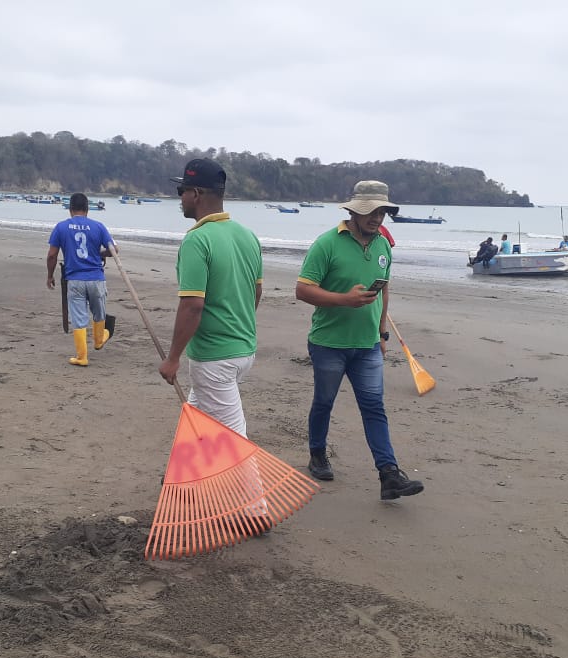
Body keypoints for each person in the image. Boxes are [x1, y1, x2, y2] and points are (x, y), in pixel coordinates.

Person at [295, 180, 424, 500]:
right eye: (371, 212)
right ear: (353, 211)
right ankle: (317, 454)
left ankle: (389, 474)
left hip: (368, 346)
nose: (377, 218)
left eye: (382, 212)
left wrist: (381, 333)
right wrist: (344, 300)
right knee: (324, 402)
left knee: (374, 407)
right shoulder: (326, 244)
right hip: (328, 343)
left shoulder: (383, 246)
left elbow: (384, 291)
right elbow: (303, 290)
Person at [158, 158, 263, 438]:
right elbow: (256, 292)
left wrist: (172, 358)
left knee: (234, 438)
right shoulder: (248, 236)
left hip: (215, 358)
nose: (179, 198)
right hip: (244, 350)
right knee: (196, 421)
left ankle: (247, 473)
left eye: (182, 191)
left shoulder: (197, 240)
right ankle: (187, 468)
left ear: (196, 194)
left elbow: (192, 305)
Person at [46, 193, 118, 366]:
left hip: (75, 279)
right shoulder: (98, 226)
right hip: (96, 279)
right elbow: (114, 249)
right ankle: (99, 340)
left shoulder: (61, 227)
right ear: (87, 209)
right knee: (98, 313)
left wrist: (50, 275)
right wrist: (101, 254)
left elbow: (52, 255)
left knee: (79, 317)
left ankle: (82, 357)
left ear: (70, 209)